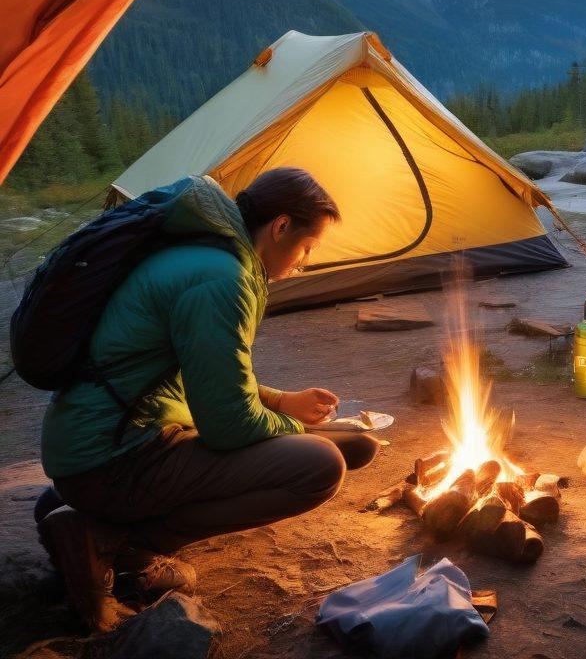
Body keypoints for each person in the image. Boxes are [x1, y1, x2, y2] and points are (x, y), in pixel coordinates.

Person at [36, 167, 380, 632]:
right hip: (113, 458)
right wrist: (298, 430)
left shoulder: (201, 255)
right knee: (320, 466)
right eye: (307, 248)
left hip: (97, 441)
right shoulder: (221, 278)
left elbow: (188, 370)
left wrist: (280, 402)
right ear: (281, 226)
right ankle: (119, 542)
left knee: (350, 445)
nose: (304, 262)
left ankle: (92, 514)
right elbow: (228, 425)